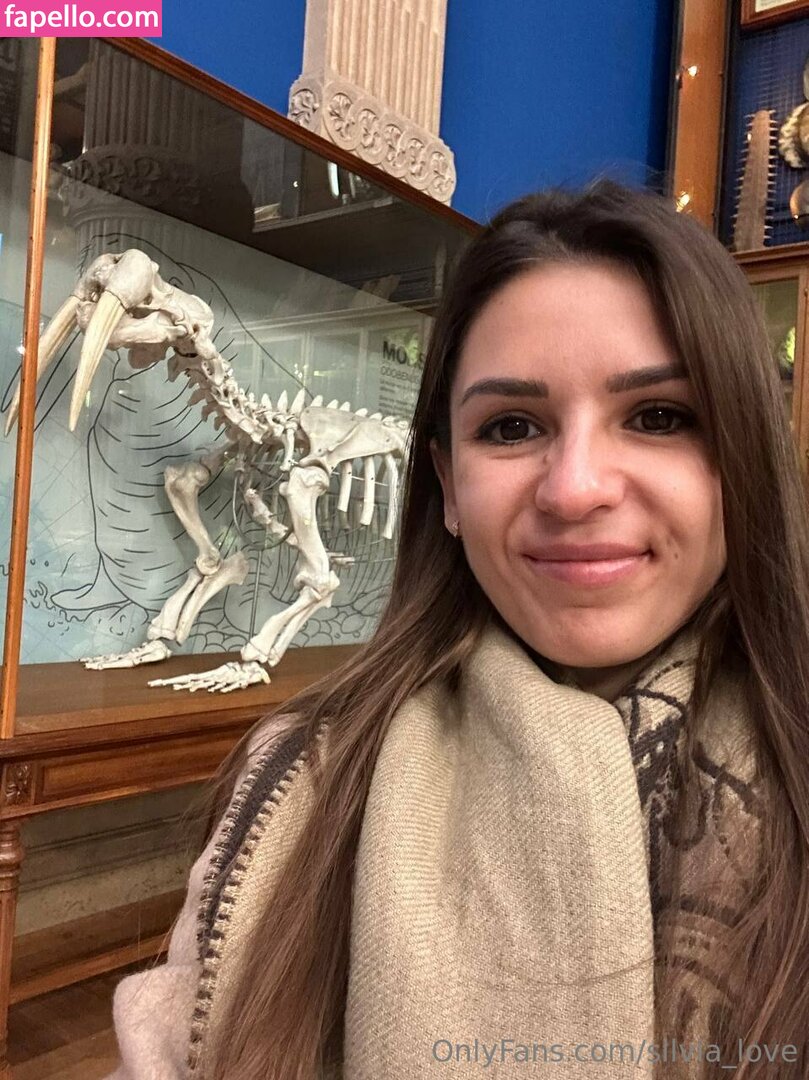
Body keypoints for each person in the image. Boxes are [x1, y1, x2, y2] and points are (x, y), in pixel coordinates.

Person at [104, 181, 809, 1080]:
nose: (573, 489)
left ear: (741, 454)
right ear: (445, 484)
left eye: (659, 417)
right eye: (510, 427)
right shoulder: (299, 777)